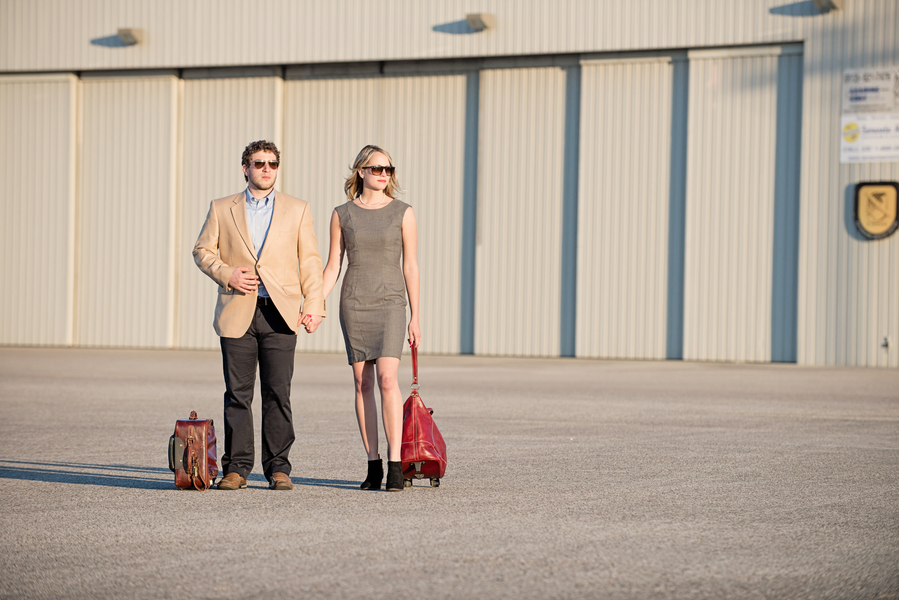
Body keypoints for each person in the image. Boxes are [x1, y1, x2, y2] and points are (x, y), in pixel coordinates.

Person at [193, 140, 326, 491]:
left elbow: (310, 261)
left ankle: (278, 467)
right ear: (245, 168)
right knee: (238, 393)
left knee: (278, 393)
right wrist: (227, 273)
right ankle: (236, 468)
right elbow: (202, 250)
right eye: (258, 163)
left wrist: (314, 304)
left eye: (272, 164)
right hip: (237, 310)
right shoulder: (222, 208)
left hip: (280, 314)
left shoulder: (297, 209)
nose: (266, 169)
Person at [318, 144, 420, 492]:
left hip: (391, 302)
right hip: (355, 301)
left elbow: (411, 265)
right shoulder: (342, 214)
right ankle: (373, 464)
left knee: (388, 380)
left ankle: (395, 463)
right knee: (362, 384)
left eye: (388, 169)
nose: (383, 175)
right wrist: (314, 303)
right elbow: (333, 266)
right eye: (377, 168)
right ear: (360, 171)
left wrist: (415, 315)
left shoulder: (403, 212)